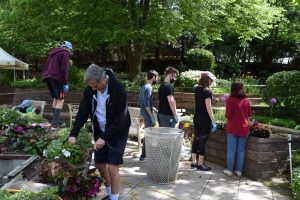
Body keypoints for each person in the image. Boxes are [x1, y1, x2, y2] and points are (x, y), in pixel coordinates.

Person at [68, 64, 131, 200]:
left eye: (94, 85)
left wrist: (104, 137)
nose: (92, 88)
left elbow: (121, 118)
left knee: (113, 167)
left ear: (103, 79)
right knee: (100, 164)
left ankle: (115, 198)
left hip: (118, 131)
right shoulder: (90, 91)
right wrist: (74, 134)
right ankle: (109, 194)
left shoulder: (118, 89)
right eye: (90, 85)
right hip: (100, 130)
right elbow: (82, 113)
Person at [42, 41, 73, 130]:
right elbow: (64, 69)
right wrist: (65, 82)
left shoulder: (53, 53)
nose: (70, 52)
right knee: (61, 99)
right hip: (56, 78)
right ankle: (55, 125)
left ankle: (56, 121)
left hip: (48, 77)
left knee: (56, 98)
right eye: (70, 50)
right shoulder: (65, 53)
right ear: (68, 48)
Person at [223, 82, 252, 177]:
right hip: (244, 128)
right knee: (241, 150)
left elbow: (228, 115)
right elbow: (249, 114)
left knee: (231, 150)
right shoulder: (246, 101)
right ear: (240, 89)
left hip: (232, 128)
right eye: (243, 88)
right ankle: (239, 171)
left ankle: (229, 170)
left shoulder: (229, 100)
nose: (244, 90)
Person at [191, 72, 217, 171]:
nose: (212, 81)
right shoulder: (207, 91)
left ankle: (193, 162)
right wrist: (213, 121)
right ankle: (200, 164)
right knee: (203, 140)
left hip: (197, 117)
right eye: (211, 80)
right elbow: (208, 107)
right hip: (205, 119)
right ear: (207, 80)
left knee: (196, 139)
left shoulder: (197, 89)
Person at [138, 70, 159, 161]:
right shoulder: (148, 87)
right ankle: (144, 156)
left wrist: (153, 109)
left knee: (148, 135)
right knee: (149, 135)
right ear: (153, 77)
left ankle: (144, 155)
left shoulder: (143, 87)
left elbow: (141, 102)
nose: (157, 79)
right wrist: (152, 116)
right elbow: (146, 104)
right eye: (156, 77)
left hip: (144, 114)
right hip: (147, 115)